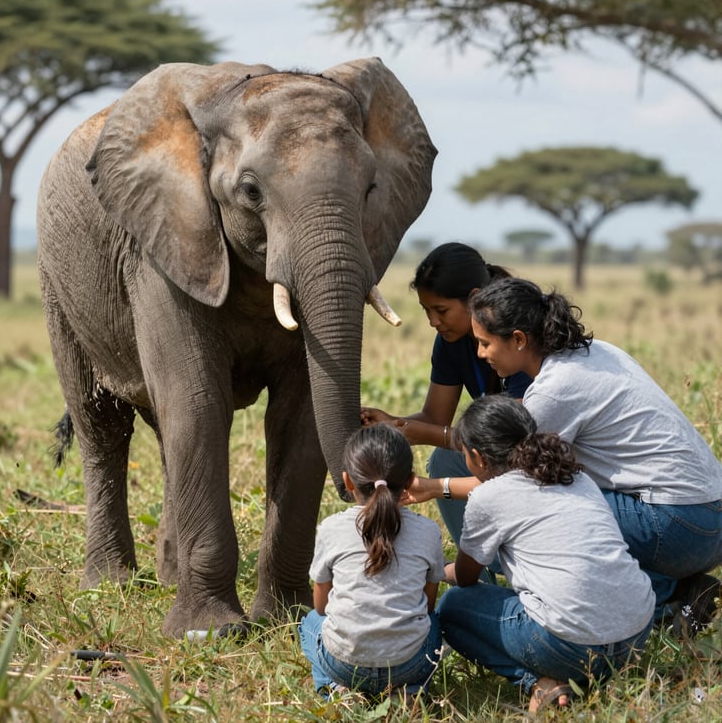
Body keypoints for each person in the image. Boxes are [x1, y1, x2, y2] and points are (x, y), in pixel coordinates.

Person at [467, 276, 722, 631]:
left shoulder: (552, 392)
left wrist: (437, 487)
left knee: (539, 503)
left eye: (484, 343)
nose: (480, 354)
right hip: (710, 517)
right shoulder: (596, 351)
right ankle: (681, 589)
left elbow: (509, 486)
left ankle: (663, 599)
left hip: (680, 527)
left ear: (519, 340)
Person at [436, 395, 655, 714]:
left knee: (452, 606)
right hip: (636, 632)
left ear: (478, 458)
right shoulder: (576, 476)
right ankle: (576, 676)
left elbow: (467, 577)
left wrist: (433, 570)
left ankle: (541, 681)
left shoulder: (488, 497)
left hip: (571, 645)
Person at [360, 242, 532, 544]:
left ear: (475, 299)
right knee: (445, 459)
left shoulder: (514, 341)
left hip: (537, 463)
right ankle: (481, 560)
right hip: (510, 460)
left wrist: (407, 431)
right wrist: (391, 425)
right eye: (426, 311)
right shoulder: (450, 343)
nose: (432, 322)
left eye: (441, 310)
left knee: (449, 462)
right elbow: (435, 418)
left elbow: (513, 444)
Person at [298, 423, 446, 700]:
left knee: (309, 622)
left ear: (348, 480)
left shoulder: (330, 528)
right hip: (408, 664)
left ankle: (335, 690)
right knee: (435, 622)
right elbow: (427, 606)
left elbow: (321, 606)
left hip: (344, 665)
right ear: (409, 480)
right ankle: (410, 691)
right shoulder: (428, 531)